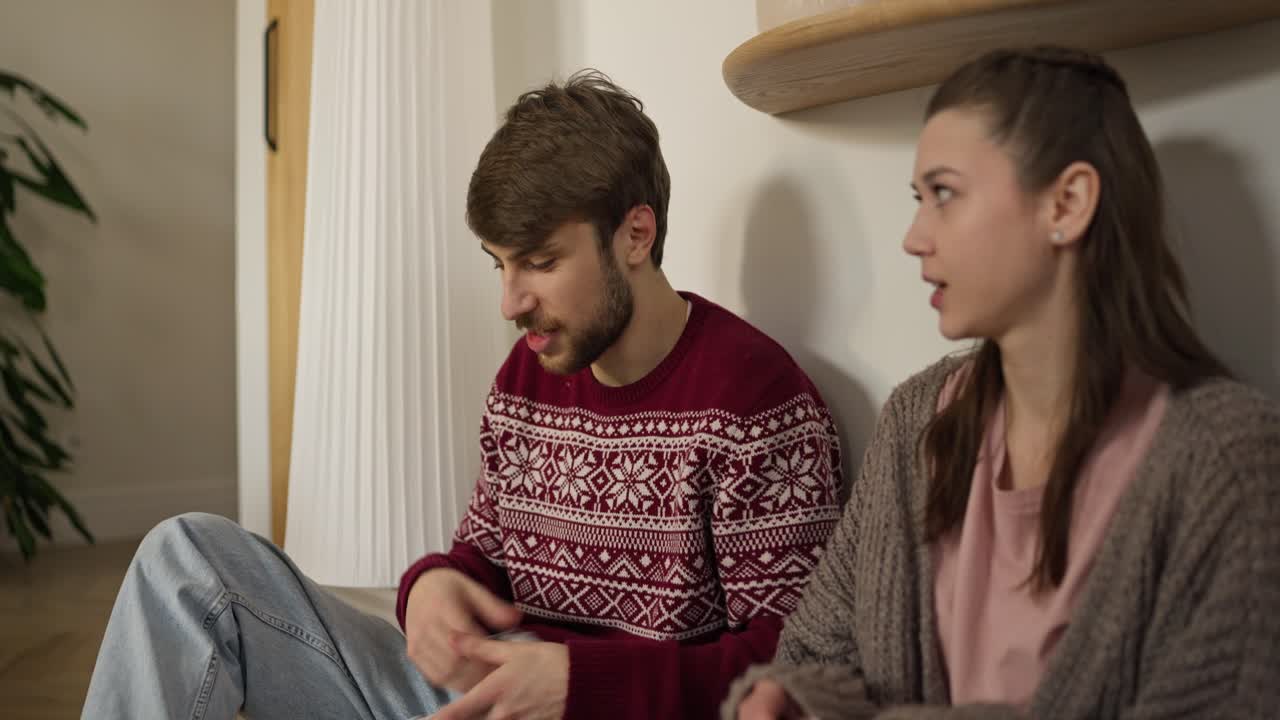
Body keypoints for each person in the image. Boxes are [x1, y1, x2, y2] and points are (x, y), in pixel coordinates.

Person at [82, 70, 843, 720]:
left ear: (635, 236)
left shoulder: (754, 399)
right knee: (184, 557)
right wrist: (432, 589)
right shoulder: (528, 374)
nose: (511, 302)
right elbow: (482, 561)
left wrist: (581, 685)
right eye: (498, 265)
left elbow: (803, 657)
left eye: (540, 262)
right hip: (480, 694)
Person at [725, 46, 1280, 720]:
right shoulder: (916, 423)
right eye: (916, 199)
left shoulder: (1229, 463)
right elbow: (813, 652)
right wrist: (788, 700)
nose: (913, 237)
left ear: (1068, 203)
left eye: (945, 194)